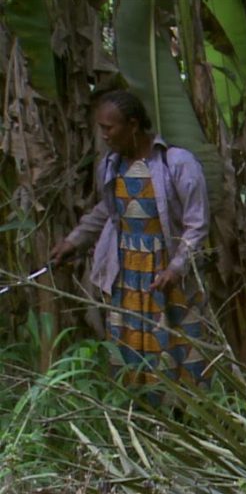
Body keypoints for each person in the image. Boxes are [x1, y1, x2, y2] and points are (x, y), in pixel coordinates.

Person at [49, 89, 210, 393]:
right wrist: (74, 242)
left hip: (166, 275)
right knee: (132, 350)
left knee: (178, 347)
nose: (104, 135)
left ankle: (186, 419)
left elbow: (197, 224)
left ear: (133, 125)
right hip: (127, 276)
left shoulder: (177, 164)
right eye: (101, 128)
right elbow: (108, 211)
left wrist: (177, 267)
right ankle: (139, 416)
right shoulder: (111, 166)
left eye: (109, 128)